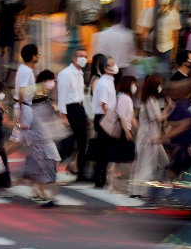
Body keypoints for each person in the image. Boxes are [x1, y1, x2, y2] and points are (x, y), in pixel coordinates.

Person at [21, 71, 61, 206]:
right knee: (45, 164)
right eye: (50, 80)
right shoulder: (38, 101)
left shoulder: (43, 101)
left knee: (42, 165)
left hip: (41, 138)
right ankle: (45, 193)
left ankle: (40, 191)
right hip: (40, 139)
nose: (52, 84)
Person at [133, 74, 173, 190]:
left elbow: (159, 118)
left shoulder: (152, 100)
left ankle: (158, 187)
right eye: (159, 84)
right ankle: (141, 191)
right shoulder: (149, 101)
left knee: (164, 162)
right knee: (146, 166)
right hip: (148, 138)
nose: (161, 87)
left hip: (153, 137)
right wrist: (169, 109)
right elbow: (157, 119)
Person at [57, 47, 88, 179]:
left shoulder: (80, 74)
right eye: (81, 56)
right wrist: (63, 115)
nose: (84, 59)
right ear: (74, 58)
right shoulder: (66, 74)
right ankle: (54, 165)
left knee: (83, 141)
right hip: (71, 109)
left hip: (80, 108)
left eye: (85, 56)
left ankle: (80, 171)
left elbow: (81, 95)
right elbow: (62, 95)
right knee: (69, 142)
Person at [90, 57, 118, 188]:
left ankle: (101, 175)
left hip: (105, 117)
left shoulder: (109, 81)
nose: (115, 66)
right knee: (104, 149)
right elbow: (104, 105)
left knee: (106, 148)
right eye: (112, 64)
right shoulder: (103, 83)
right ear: (106, 68)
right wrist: (111, 119)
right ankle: (99, 176)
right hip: (103, 117)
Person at [109, 75, 137, 194]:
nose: (135, 86)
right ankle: (130, 184)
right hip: (123, 131)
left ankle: (113, 185)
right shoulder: (125, 98)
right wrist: (127, 132)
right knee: (128, 157)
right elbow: (121, 116)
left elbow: (130, 116)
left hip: (124, 130)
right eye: (133, 84)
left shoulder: (124, 97)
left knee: (118, 159)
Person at [0, 0, 26, 75]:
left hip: (2, 26)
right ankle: (9, 75)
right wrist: (19, 27)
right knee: (12, 54)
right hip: (11, 27)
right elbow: (21, 12)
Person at [90, 9, 137, 74]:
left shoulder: (99, 36)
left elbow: (96, 56)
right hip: (123, 71)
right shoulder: (129, 35)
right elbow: (132, 56)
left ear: (107, 20)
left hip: (106, 71)